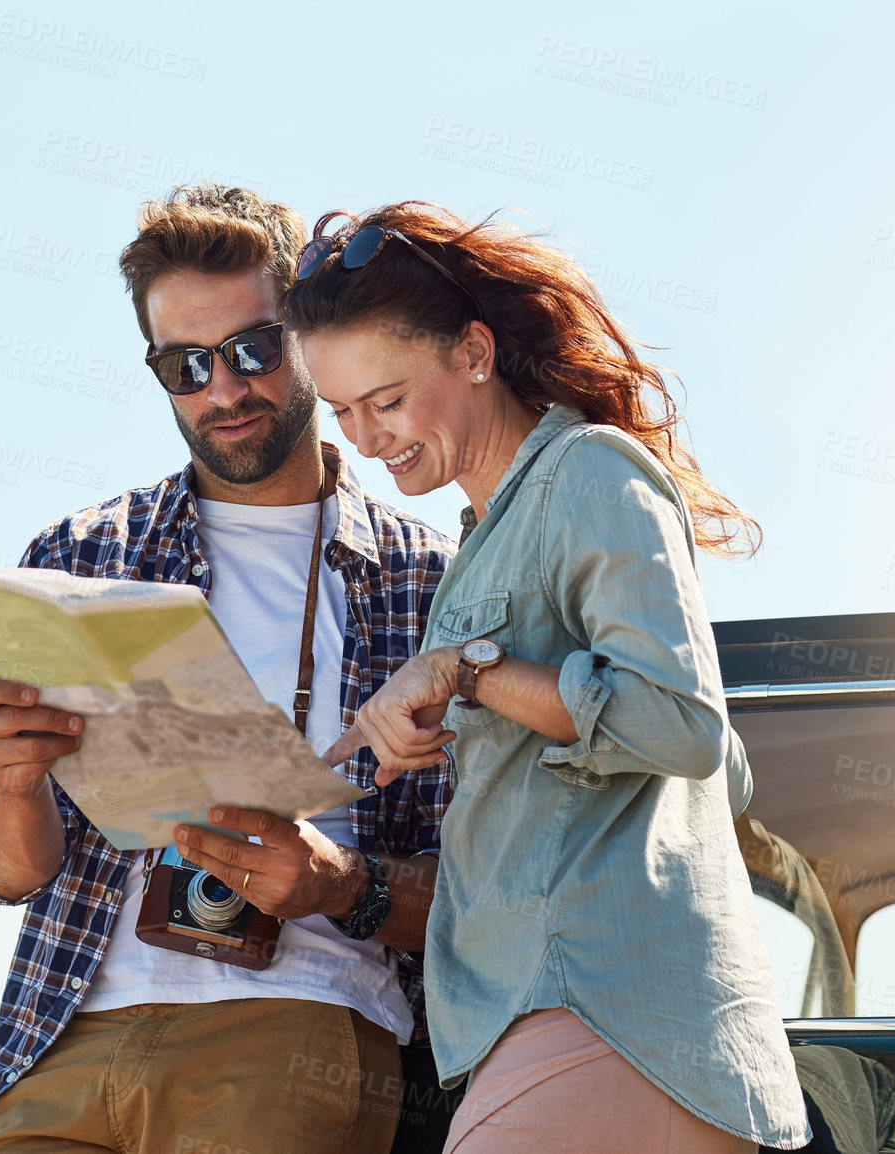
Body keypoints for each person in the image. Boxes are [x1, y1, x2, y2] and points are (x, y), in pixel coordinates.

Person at [0, 184, 457, 1154]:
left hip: (297, 1025)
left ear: (308, 334)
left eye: (253, 349)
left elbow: (493, 897)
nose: (223, 389)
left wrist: (338, 881)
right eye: (184, 365)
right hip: (61, 1037)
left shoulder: (429, 581)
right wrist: (11, 780)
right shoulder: (86, 551)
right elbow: (8, 872)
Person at [285, 203, 811, 1153]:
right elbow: (722, 771)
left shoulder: (589, 475)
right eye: (342, 412)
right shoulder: (482, 540)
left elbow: (683, 727)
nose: (365, 438)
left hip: (599, 1010)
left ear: (473, 353)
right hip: (542, 1021)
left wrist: (468, 671)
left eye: (389, 399)